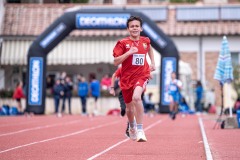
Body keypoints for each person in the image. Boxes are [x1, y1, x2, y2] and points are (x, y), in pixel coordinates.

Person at [113, 16, 156, 142]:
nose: (135, 28)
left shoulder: (145, 41)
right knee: (129, 109)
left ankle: (140, 129)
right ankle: (132, 127)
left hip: (142, 75)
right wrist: (128, 53)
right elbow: (115, 62)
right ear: (128, 29)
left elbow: (149, 48)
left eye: (137, 26)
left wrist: (152, 62)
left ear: (141, 28)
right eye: (132, 26)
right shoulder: (122, 43)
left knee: (137, 97)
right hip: (126, 79)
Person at [109, 66, 130, 137]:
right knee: (124, 109)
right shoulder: (122, 68)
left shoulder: (137, 68)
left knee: (131, 111)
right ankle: (122, 110)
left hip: (133, 92)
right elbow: (114, 75)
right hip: (123, 92)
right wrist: (112, 88)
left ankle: (128, 128)